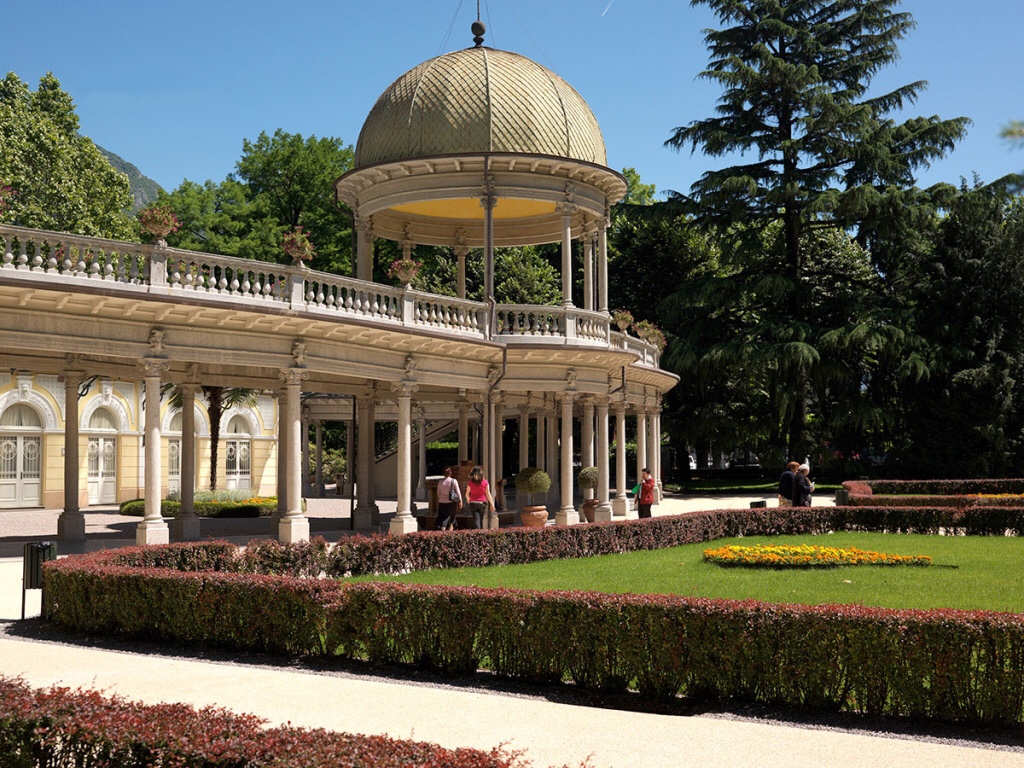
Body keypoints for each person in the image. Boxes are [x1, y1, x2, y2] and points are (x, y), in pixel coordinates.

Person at [465, 464, 495, 529]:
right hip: (482, 503)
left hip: (473, 502)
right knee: (480, 520)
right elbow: (488, 493)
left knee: (476, 520)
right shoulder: (485, 482)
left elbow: (467, 493)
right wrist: (492, 504)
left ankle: (478, 533)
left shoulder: (470, 482)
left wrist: (468, 499)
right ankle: (480, 533)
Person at [433, 466, 462, 530]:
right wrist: (460, 500)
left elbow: (438, 493)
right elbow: (458, 492)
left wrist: (440, 499)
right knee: (450, 516)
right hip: (451, 502)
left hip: (442, 502)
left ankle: (446, 527)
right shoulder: (453, 481)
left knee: (442, 515)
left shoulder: (440, 482)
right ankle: (445, 526)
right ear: (450, 473)